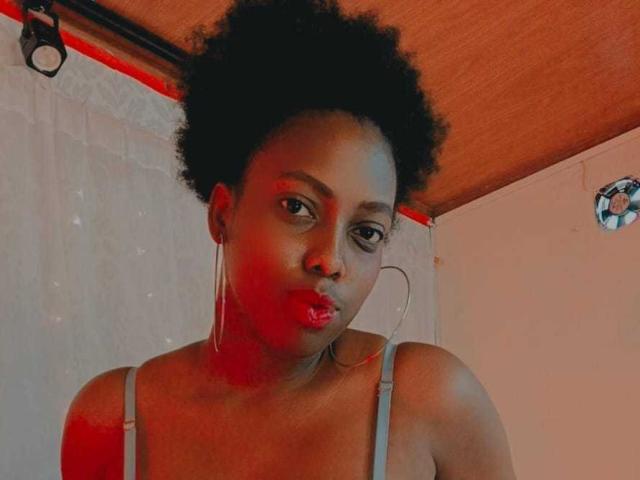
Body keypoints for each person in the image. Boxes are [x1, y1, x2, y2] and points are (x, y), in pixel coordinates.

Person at [60, 0, 517, 478]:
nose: (330, 260)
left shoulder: (431, 399)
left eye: (365, 232)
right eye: (298, 207)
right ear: (223, 213)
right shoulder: (111, 418)